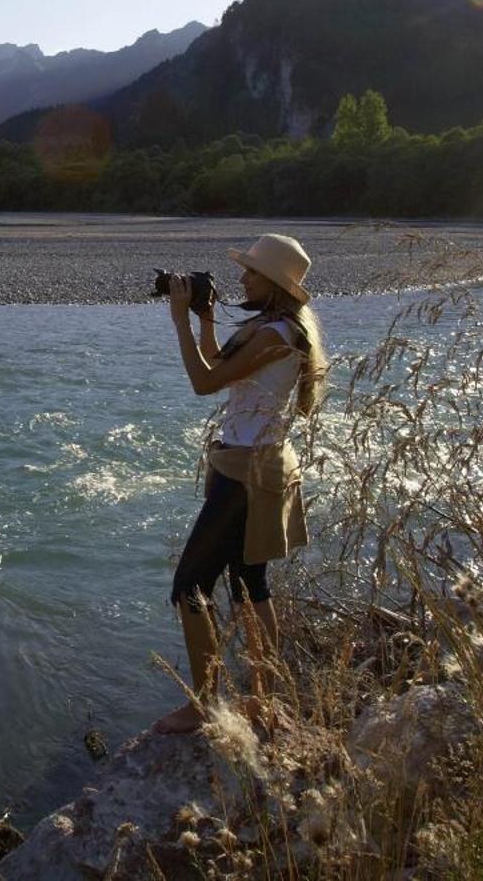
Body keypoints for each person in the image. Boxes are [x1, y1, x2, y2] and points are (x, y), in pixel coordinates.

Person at [154, 233, 326, 735]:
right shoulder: (276, 329)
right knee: (249, 583)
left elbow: (204, 382)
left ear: (272, 283)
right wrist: (204, 319)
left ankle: (204, 702)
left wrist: (178, 321)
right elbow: (220, 368)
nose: (242, 278)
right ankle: (263, 697)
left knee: (190, 585)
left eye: (250, 272)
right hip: (255, 465)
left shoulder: (275, 336)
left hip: (248, 473)